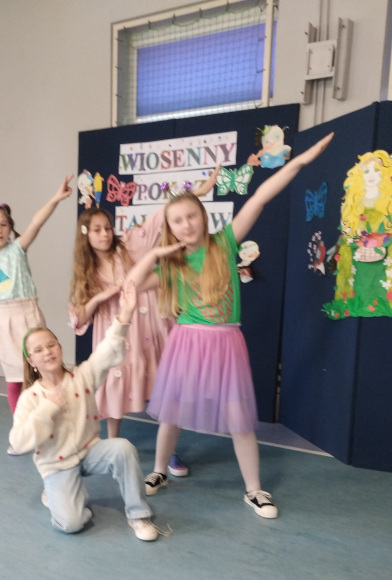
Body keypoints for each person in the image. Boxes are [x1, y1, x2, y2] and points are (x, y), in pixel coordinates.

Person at [125, 132, 334, 519]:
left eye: (191, 216)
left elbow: (259, 198)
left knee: (239, 418)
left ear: (202, 216)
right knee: (172, 412)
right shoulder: (171, 264)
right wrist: (154, 253)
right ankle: (159, 470)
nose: (186, 225)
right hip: (187, 343)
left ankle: (254, 489)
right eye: (177, 221)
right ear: (170, 227)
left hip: (225, 343)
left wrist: (300, 162)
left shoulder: (225, 242)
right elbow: (131, 285)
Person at [68, 171, 219, 479]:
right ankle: (112, 449)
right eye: (96, 230)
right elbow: (78, 316)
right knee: (113, 388)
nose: (105, 234)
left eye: (107, 227)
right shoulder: (85, 272)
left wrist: (200, 191)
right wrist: (101, 297)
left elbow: (163, 214)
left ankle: (169, 452)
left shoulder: (129, 245)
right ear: (86, 235)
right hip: (118, 335)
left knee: (166, 387)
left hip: (152, 327)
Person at [9, 280, 165, 541]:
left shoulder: (81, 376)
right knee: (71, 524)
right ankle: (57, 492)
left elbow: (106, 351)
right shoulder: (30, 398)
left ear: (60, 347)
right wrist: (48, 408)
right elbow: (18, 441)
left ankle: (138, 515)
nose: (47, 352)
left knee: (123, 448)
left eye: (51, 344)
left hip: (90, 452)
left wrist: (126, 313)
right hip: (56, 465)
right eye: (38, 350)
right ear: (31, 360)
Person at [0, 176, 73, 451]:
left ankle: (53, 426)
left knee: (41, 373)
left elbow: (37, 222)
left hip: (29, 316)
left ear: (10, 228)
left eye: (4, 224)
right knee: (15, 378)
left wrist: (55, 198)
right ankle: (22, 433)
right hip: (5, 320)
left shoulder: (17, 249)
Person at [322, 150, 392, 319]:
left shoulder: (390, 201)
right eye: (367, 171)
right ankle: (352, 304)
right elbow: (348, 230)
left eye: (377, 170)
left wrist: (381, 244)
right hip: (358, 255)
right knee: (357, 282)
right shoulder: (352, 202)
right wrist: (352, 244)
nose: (371, 175)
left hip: (386, 255)